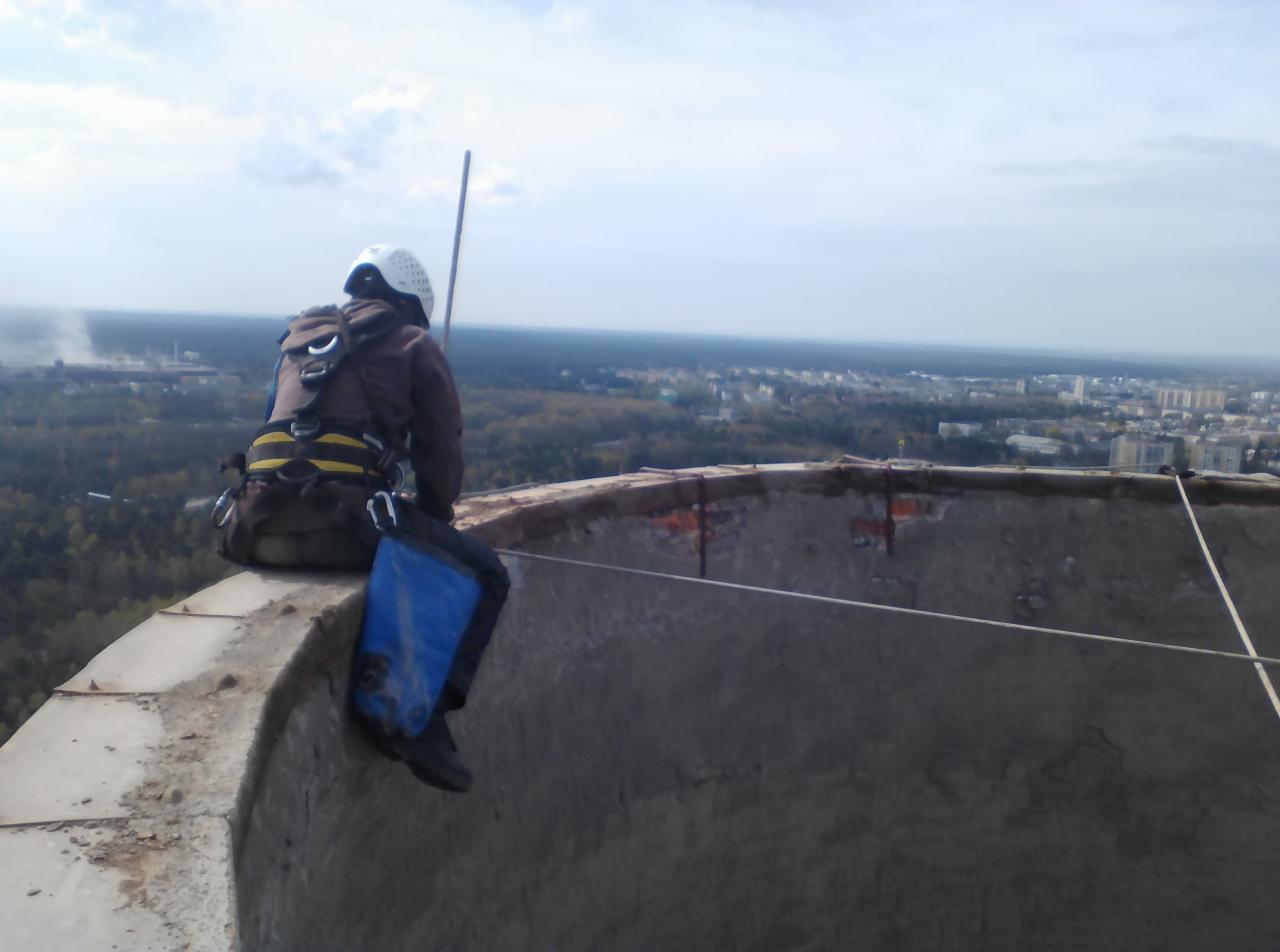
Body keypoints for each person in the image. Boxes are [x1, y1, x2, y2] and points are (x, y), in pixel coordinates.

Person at [216, 244, 502, 792]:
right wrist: (435, 521)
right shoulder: (413, 343)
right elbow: (440, 451)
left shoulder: (297, 341)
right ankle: (418, 721)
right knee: (485, 574)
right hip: (342, 533)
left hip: (254, 530)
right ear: (411, 304)